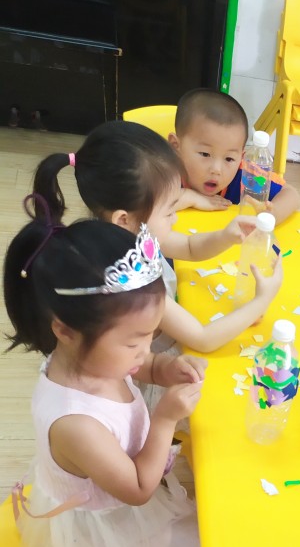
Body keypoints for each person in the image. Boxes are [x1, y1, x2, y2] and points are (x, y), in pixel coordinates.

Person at [3, 208, 203, 547]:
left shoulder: (92, 357)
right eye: (134, 342)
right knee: (184, 543)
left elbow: (141, 366)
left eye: (151, 336)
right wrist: (164, 418)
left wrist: (165, 367)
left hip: (118, 482)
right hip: (103, 529)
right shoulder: (77, 424)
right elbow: (138, 490)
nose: (145, 350)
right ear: (65, 331)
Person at [31, 122, 284, 404]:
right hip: (152, 371)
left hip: (158, 359)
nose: (175, 219)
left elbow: (189, 246)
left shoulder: (130, 238)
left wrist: (226, 235)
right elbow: (202, 338)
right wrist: (262, 300)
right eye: (169, 211)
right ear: (124, 219)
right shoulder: (129, 280)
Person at [169, 87, 300, 221]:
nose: (217, 169)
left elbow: (290, 193)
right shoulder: (165, 172)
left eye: (229, 159)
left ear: (241, 157)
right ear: (175, 146)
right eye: (205, 154)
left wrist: (272, 214)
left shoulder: (245, 177)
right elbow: (155, 201)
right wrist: (189, 197)